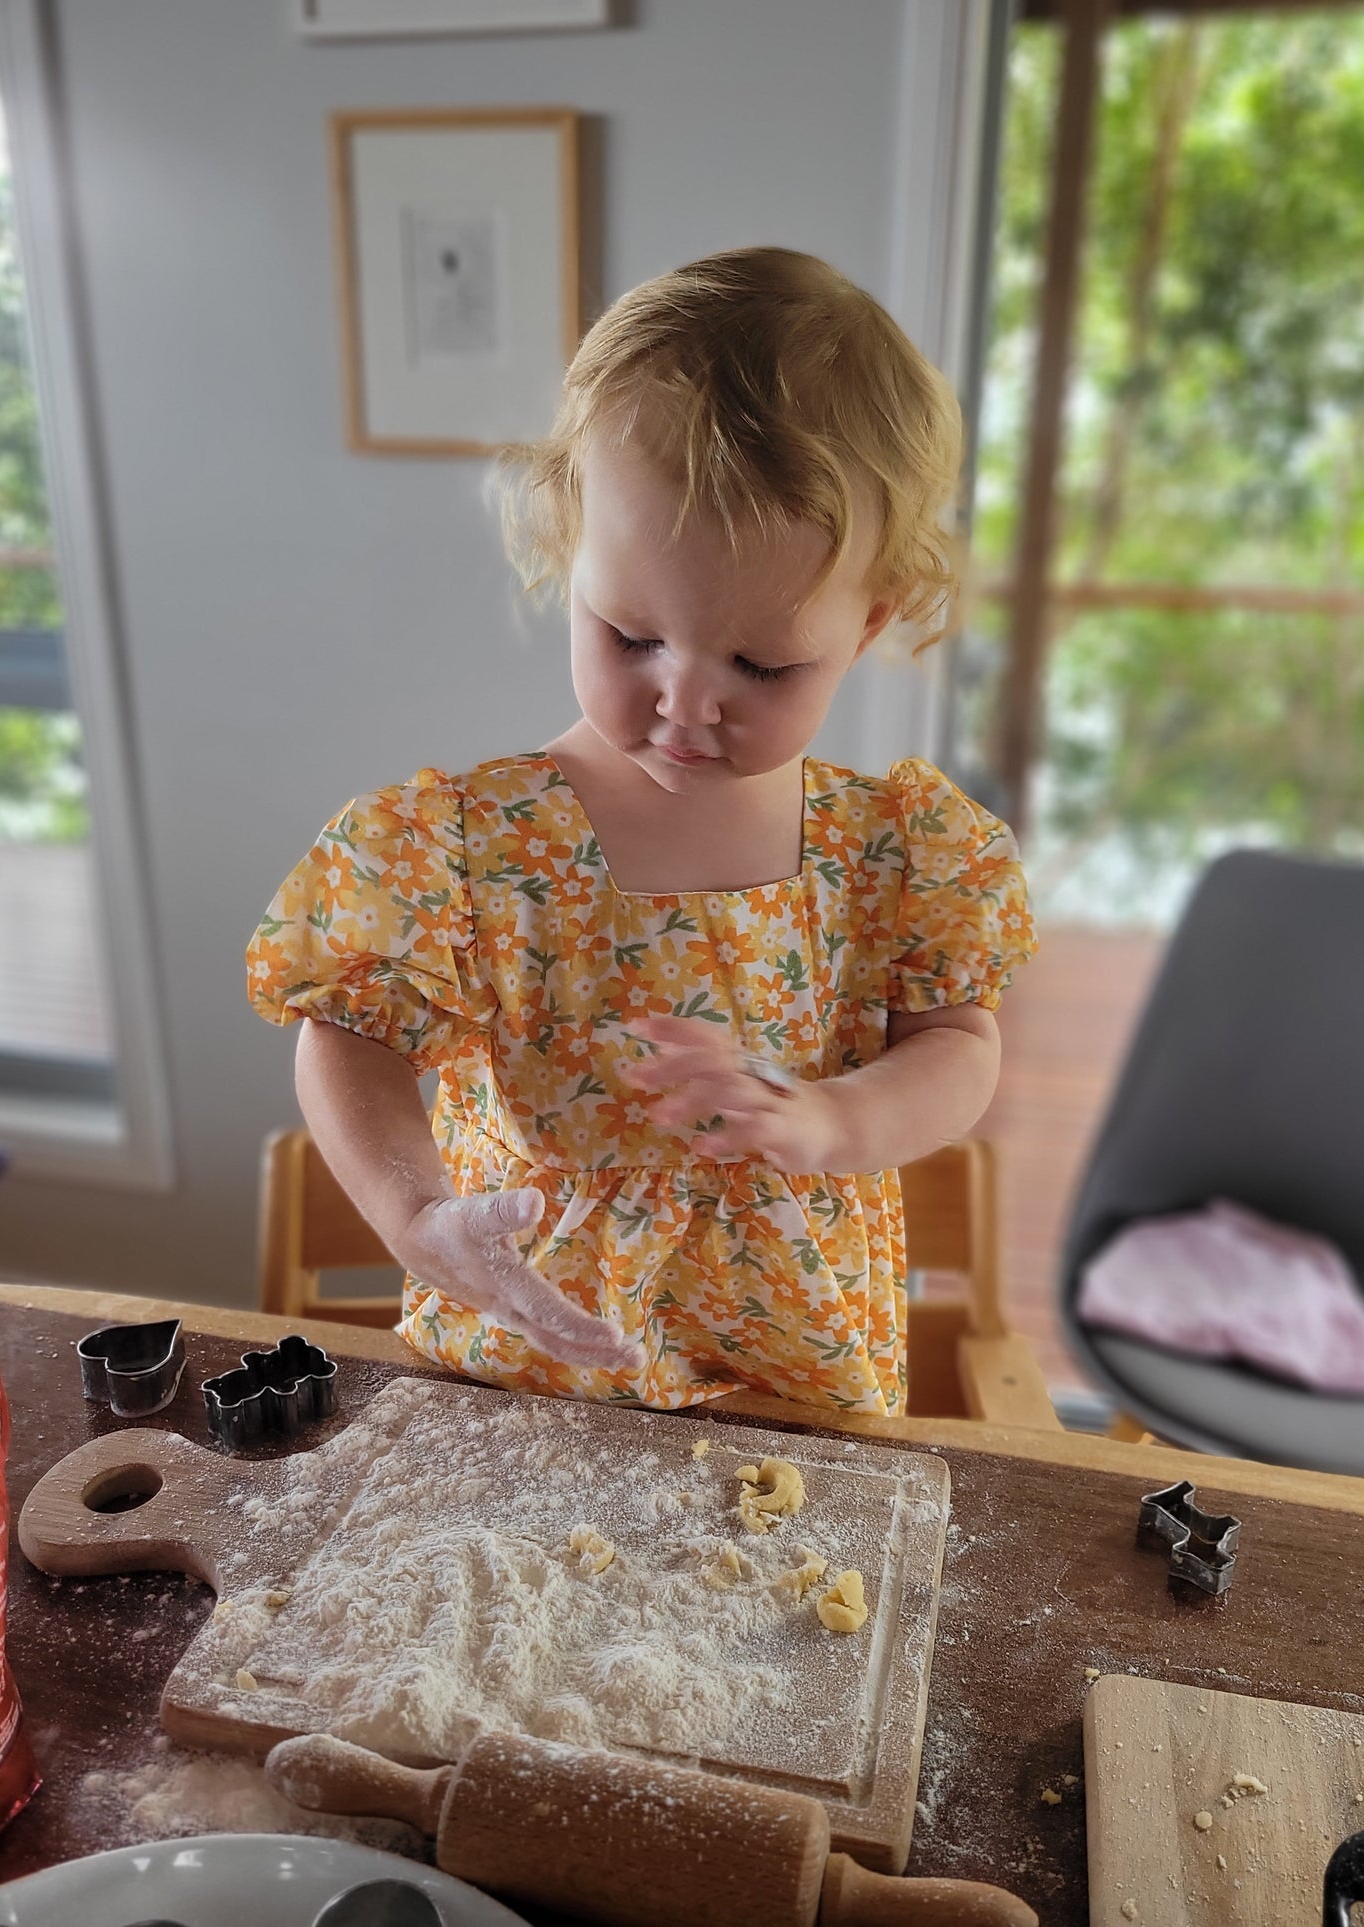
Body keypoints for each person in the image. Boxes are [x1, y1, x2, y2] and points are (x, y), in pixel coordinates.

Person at [246, 246, 1035, 1417]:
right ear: (572, 554)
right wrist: (417, 1217)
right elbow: (343, 1038)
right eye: (629, 635)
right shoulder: (458, 848)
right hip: (529, 1371)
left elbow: (957, 1050)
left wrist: (833, 1118)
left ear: (864, 625)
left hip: (793, 1384)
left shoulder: (892, 854)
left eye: (760, 663)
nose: (684, 700)